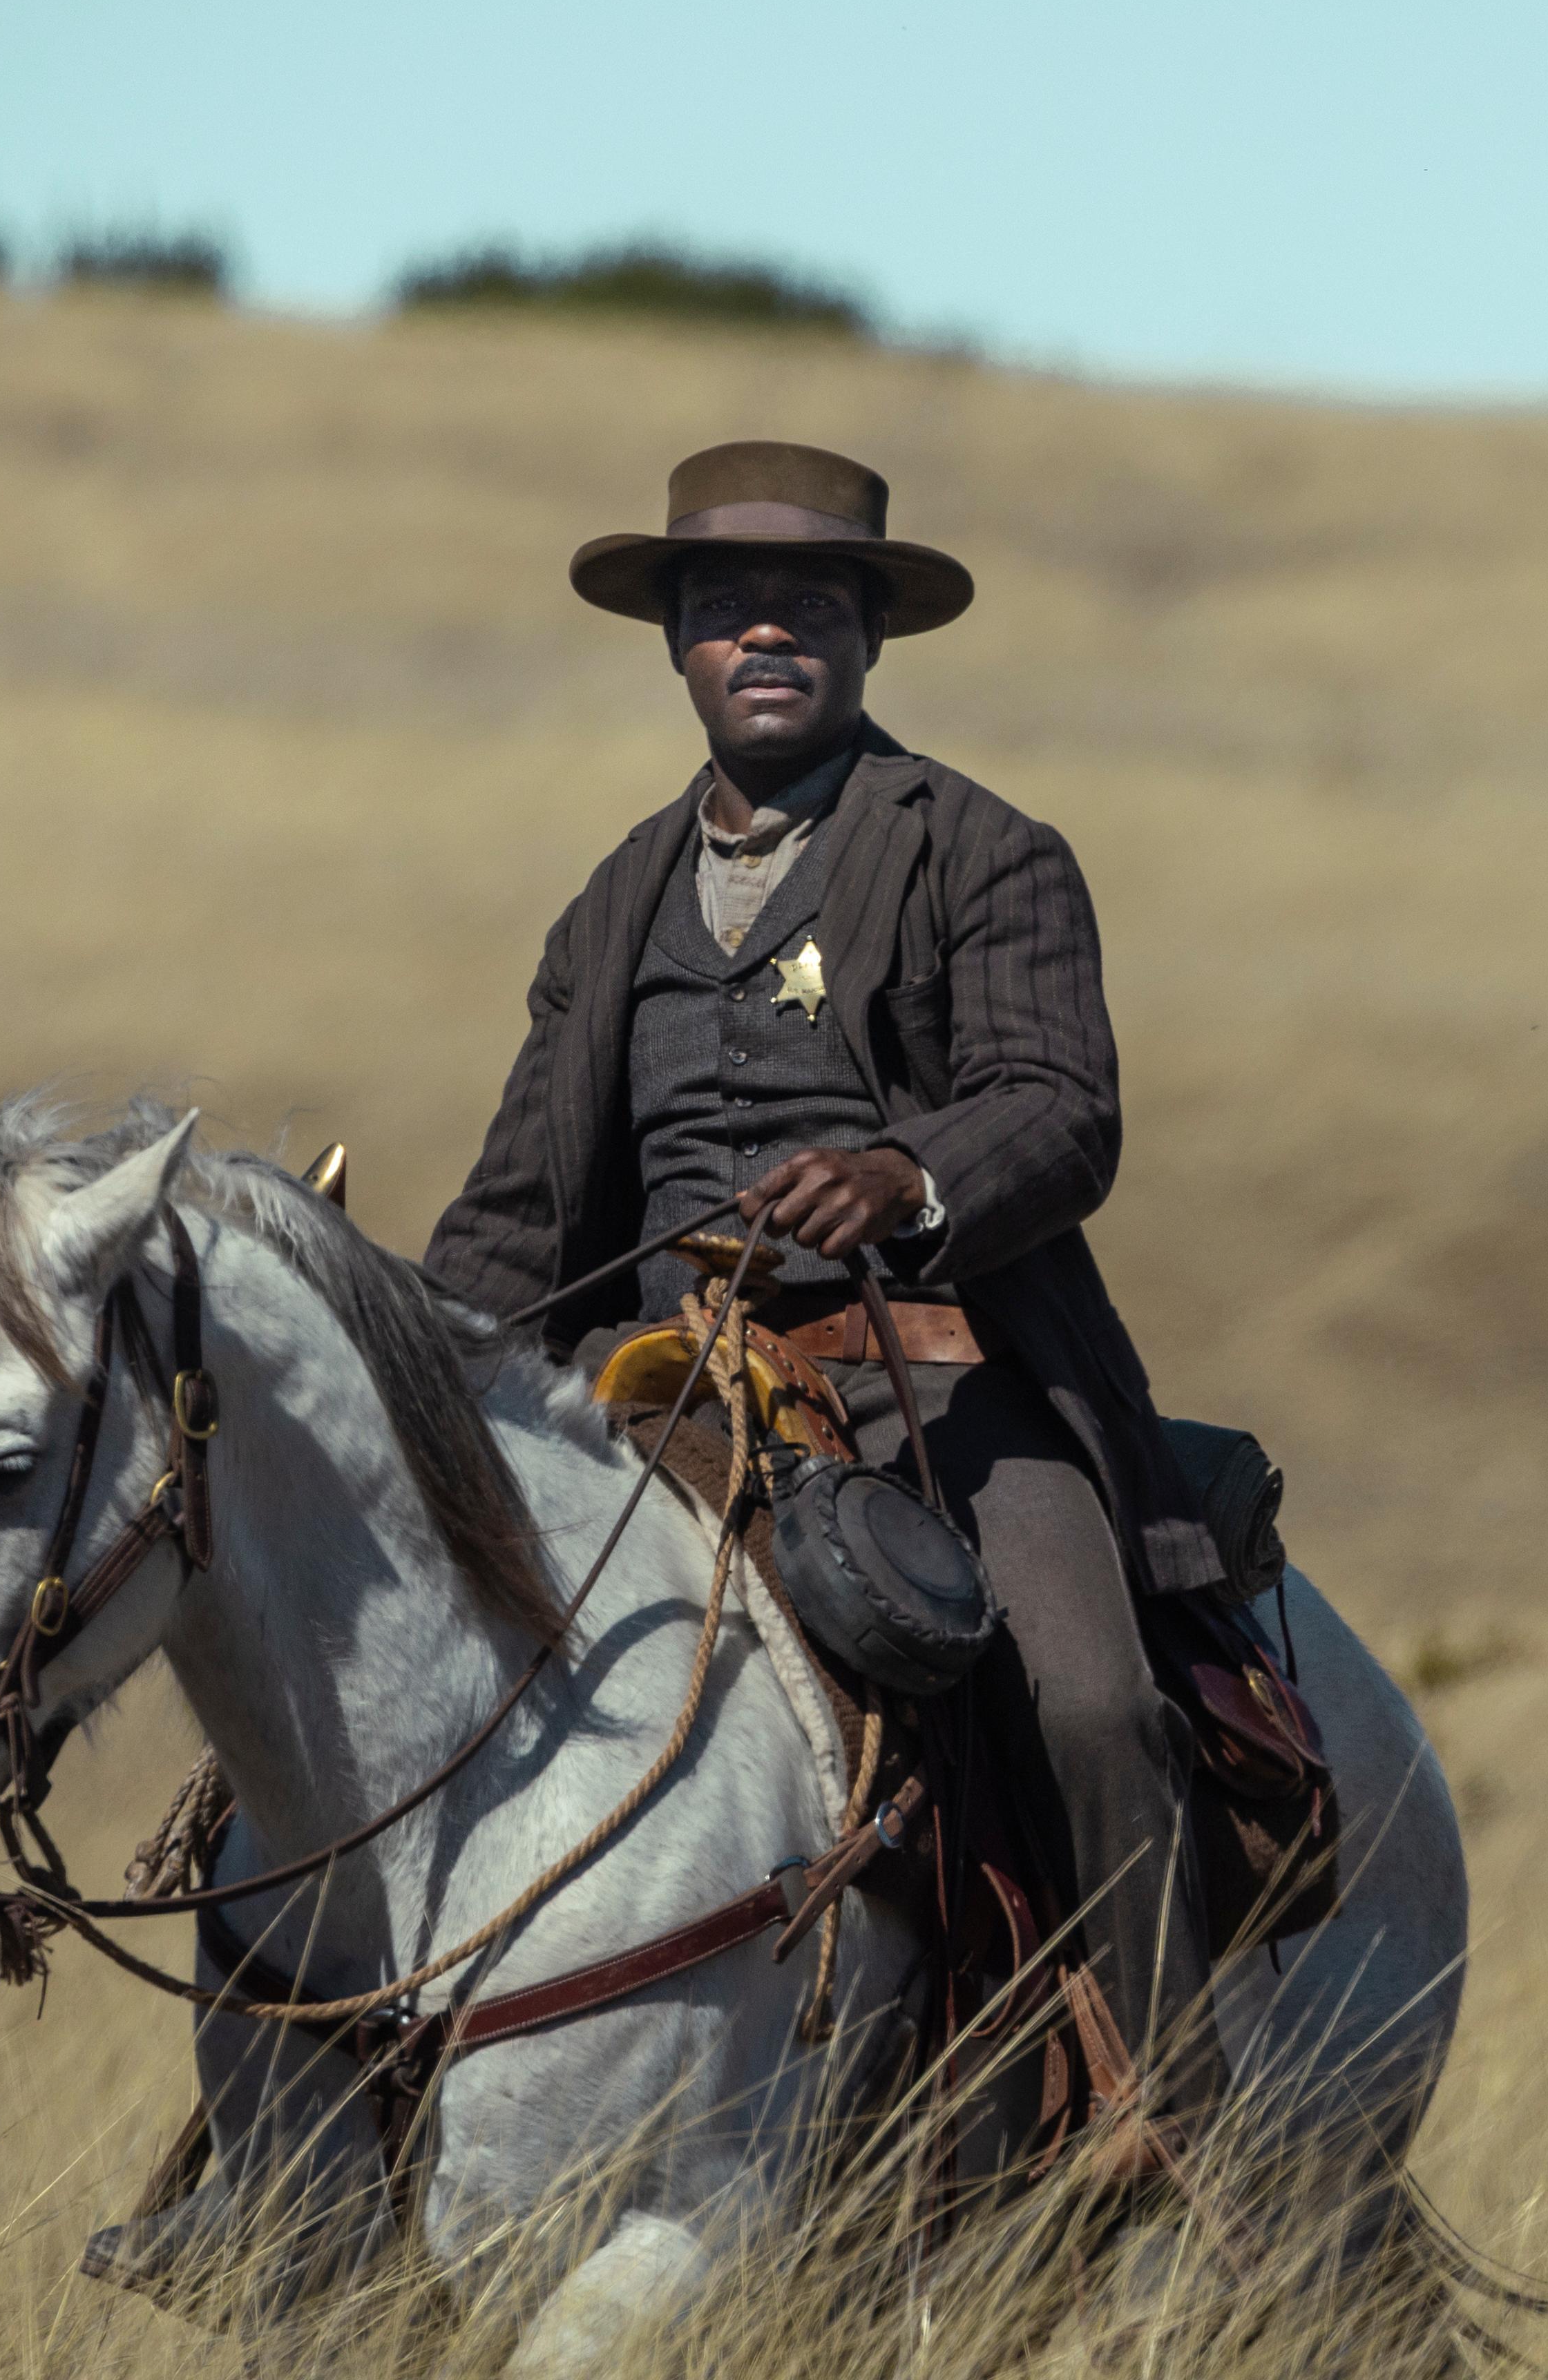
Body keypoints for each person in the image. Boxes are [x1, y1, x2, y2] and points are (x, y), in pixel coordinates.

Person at [423, 438, 1234, 2140]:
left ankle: (1171, 2106)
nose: (764, 633)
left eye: (806, 603)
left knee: (1093, 1700)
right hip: (651, 1391)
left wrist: (906, 1176)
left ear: (870, 636)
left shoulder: (985, 849)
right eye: (725, 604)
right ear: (676, 643)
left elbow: (1061, 1112)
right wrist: (411, 1380)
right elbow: (514, 1211)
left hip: (936, 1384)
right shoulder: (609, 906)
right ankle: (293, 2125)